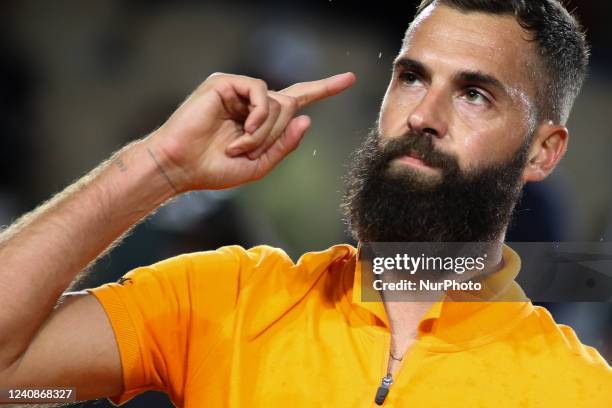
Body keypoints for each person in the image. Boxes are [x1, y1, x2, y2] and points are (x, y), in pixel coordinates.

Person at [1, 0, 610, 406]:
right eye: (412, 77)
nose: (422, 116)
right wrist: (156, 168)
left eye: (475, 94)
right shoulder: (229, 300)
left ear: (543, 152)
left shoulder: (579, 390)